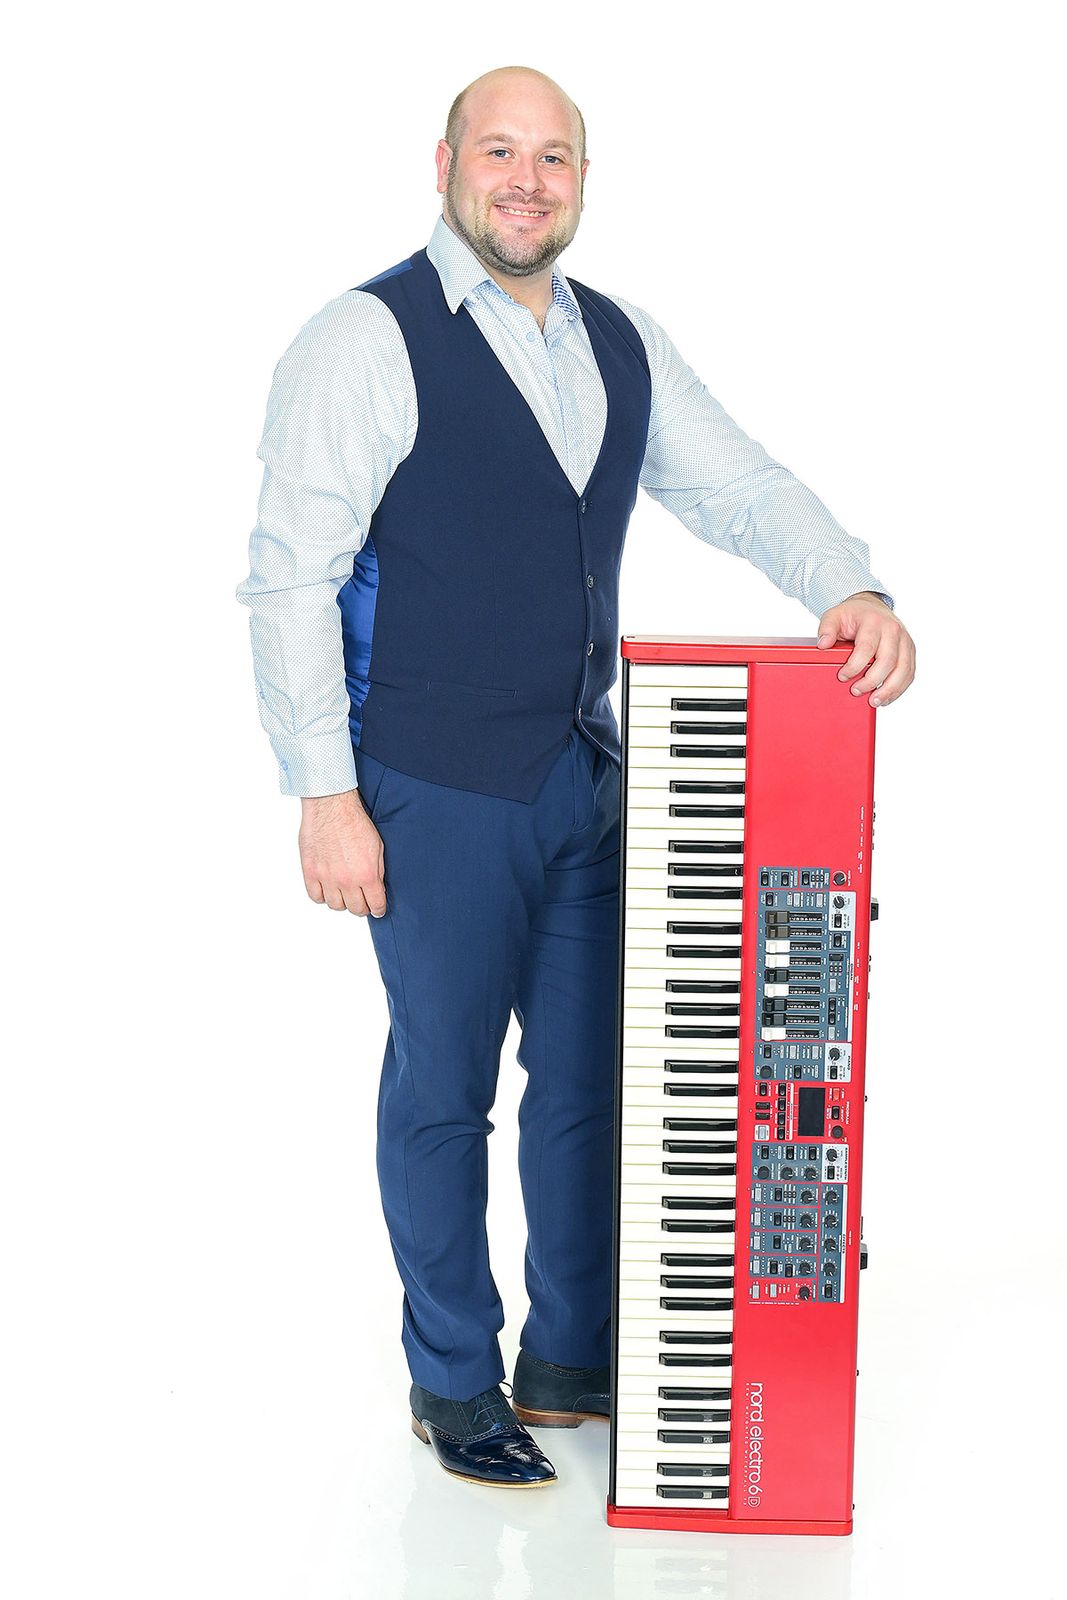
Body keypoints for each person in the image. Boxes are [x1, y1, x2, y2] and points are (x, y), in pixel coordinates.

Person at [234, 63, 916, 1490]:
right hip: (431, 785)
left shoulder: (619, 338)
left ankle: (567, 1356)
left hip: (583, 775)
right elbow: (290, 579)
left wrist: (847, 584)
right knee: (444, 1089)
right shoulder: (364, 340)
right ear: (444, 165)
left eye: (553, 156)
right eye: (499, 151)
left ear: (583, 181)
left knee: (594, 1082)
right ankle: (452, 1378)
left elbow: (734, 485)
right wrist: (324, 794)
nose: (526, 180)